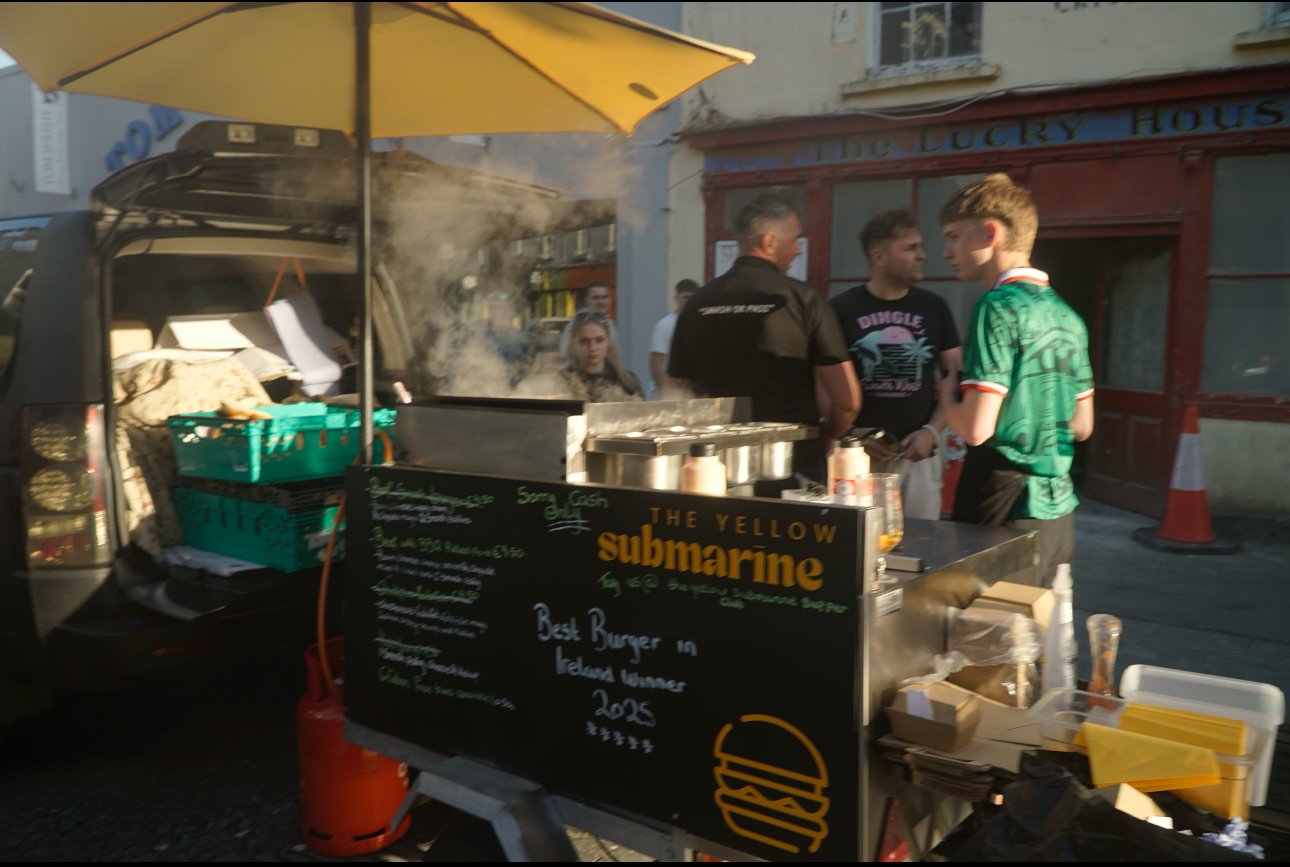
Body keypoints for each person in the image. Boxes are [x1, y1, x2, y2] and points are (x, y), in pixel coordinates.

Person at [936, 173, 1095, 588]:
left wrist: (946, 400)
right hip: (1058, 511)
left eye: (953, 236)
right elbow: (1082, 427)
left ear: (990, 232)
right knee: (1043, 643)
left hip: (999, 507)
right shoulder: (1067, 315)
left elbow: (975, 428)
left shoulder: (996, 307)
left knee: (985, 643)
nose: (946, 251)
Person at [668, 193, 860, 487]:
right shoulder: (803, 299)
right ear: (769, 242)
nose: (798, 249)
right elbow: (847, 400)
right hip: (792, 464)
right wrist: (828, 435)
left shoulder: (697, 303)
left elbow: (675, 391)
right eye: (795, 239)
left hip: (714, 467)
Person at [830, 208, 961, 520]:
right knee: (857, 546)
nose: (923, 255)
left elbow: (954, 377)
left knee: (922, 546)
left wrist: (931, 432)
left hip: (920, 457)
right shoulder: (840, 309)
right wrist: (851, 433)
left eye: (920, 246)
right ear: (879, 257)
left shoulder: (934, 307)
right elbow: (820, 383)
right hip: (856, 457)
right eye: (910, 248)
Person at [558, 308, 643, 403]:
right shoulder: (562, 382)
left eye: (599, 340)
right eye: (584, 341)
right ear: (573, 344)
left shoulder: (627, 381)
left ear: (608, 342)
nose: (593, 348)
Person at [648, 278, 697, 399]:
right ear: (676, 298)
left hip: (690, 394)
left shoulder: (699, 324)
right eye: (685, 297)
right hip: (668, 394)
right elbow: (656, 366)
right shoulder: (665, 325)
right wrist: (666, 393)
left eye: (692, 298)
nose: (688, 301)